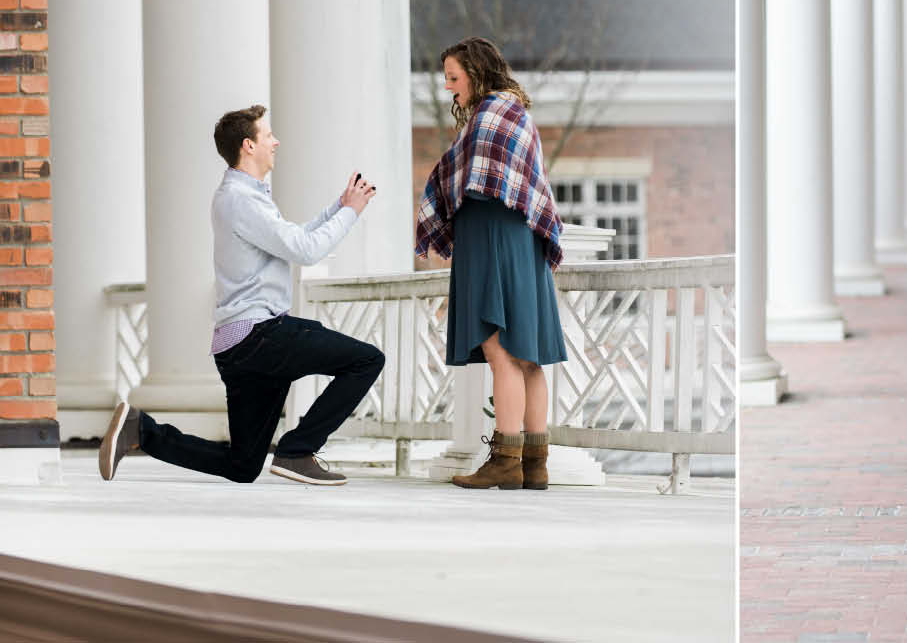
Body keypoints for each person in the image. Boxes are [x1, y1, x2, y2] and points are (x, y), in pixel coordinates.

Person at [99, 105, 384, 486]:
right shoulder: (240, 199)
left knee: (243, 465)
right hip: (259, 337)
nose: (275, 141)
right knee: (366, 360)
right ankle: (298, 450)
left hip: (240, 346)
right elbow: (305, 250)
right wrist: (351, 214)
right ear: (249, 145)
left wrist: (339, 206)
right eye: (268, 135)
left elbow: (292, 238)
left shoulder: (246, 196)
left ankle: (140, 430)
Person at [416, 37, 566, 491]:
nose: (448, 88)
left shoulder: (489, 114)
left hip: (493, 236)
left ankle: (505, 459)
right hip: (520, 241)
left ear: (476, 74)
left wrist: (441, 190)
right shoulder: (517, 112)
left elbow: (471, 175)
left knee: (501, 352)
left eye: (454, 78)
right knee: (528, 357)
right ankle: (534, 464)